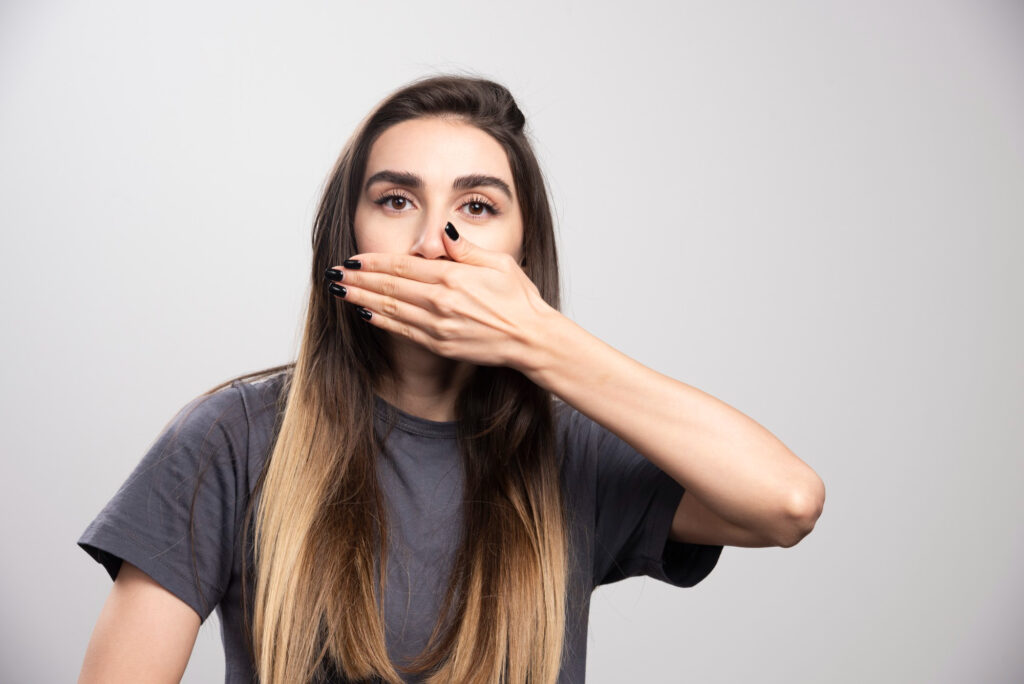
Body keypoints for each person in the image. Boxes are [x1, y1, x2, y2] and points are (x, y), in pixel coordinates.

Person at [77, 73, 825, 684]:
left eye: (476, 207)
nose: (434, 241)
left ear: (523, 252)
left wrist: (539, 335)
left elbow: (786, 502)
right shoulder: (232, 438)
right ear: (350, 238)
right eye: (396, 200)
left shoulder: (577, 454)